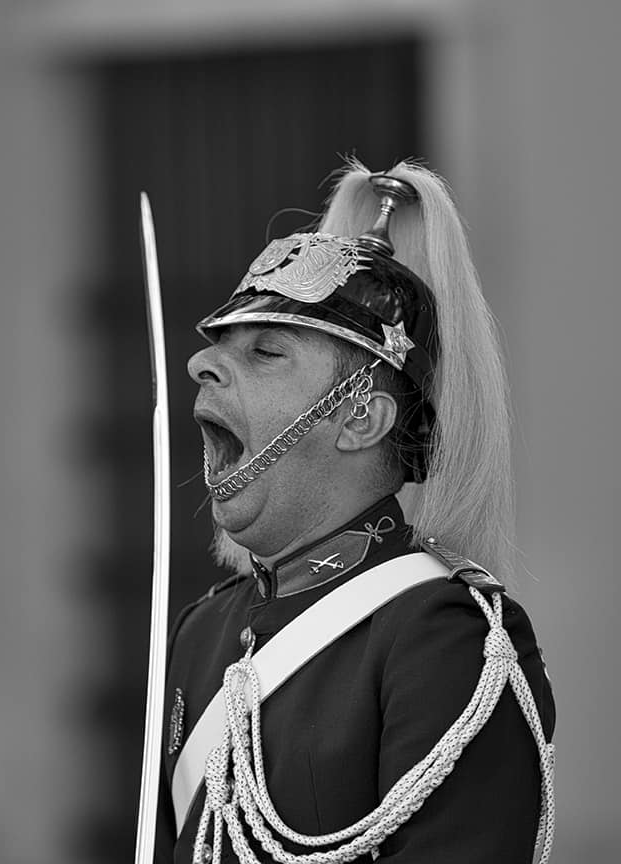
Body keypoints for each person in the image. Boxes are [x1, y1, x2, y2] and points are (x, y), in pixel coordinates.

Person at [154, 162, 555, 864]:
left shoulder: (444, 636)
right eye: (220, 348)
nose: (203, 366)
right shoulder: (204, 630)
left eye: (266, 351)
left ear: (361, 419)